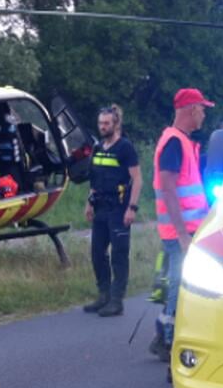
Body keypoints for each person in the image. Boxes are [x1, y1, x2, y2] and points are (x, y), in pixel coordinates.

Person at [152, 87, 213, 361]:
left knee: (180, 283)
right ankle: (167, 339)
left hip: (188, 230)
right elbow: (168, 188)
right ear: (191, 110)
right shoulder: (175, 142)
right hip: (180, 232)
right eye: (202, 109)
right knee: (180, 284)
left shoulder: (183, 141)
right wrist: (182, 235)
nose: (203, 115)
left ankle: (162, 335)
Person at [82, 104, 141, 318]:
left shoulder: (125, 147)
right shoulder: (98, 148)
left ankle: (117, 301)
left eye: (106, 123)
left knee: (119, 255)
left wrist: (131, 208)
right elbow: (95, 179)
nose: (102, 126)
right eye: (100, 123)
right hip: (100, 207)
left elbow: (137, 179)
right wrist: (89, 203)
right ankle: (104, 295)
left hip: (119, 208)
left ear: (116, 124)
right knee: (97, 253)